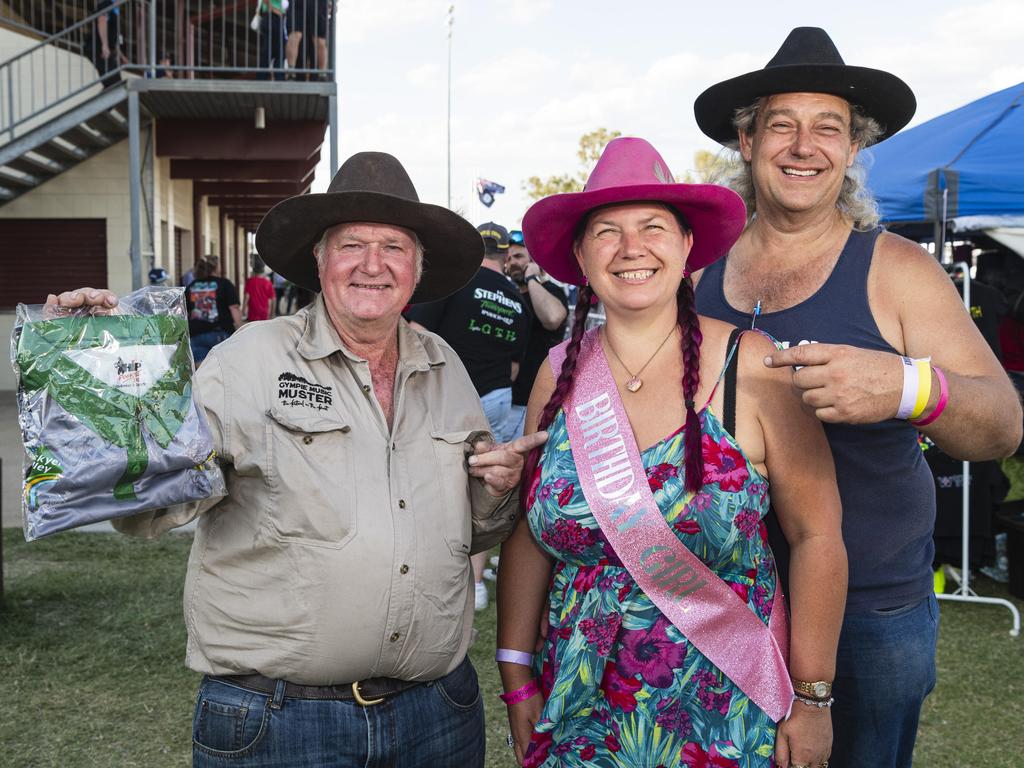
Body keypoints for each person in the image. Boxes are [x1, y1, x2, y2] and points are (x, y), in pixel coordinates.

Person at [45, 150, 544, 767]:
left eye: (392, 246)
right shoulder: (246, 361)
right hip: (281, 724)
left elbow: (468, 533)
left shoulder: (445, 368)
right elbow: (142, 508)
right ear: (319, 258)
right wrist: (99, 371)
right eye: (351, 244)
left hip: (436, 717)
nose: (372, 265)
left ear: (417, 267)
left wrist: (496, 493)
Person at [691, 27, 1023, 768]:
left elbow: (1002, 426)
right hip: (723, 598)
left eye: (828, 128)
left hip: (870, 611)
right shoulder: (699, 273)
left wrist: (908, 387)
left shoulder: (898, 269)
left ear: (850, 150)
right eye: (782, 124)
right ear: (746, 142)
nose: (804, 145)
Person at [497, 137, 847, 768]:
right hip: (577, 702)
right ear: (580, 255)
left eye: (653, 227)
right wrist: (516, 670)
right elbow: (531, 529)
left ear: (687, 246)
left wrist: (813, 700)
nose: (632, 249)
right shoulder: (558, 373)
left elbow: (818, 534)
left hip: (726, 705)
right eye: (607, 231)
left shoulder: (754, 365)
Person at [406, 221, 531, 610]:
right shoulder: (515, 296)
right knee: (486, 487)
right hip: (495, 397)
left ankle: (419, 572)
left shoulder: (456, 281)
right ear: (502, 254)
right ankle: (475, 584)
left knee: (426, 485)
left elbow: (413, 332)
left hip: (444, 396)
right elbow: (514, 366)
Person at [505, 229, 569, 440]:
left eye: (519, 256)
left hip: (532, 401)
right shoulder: (505, 292)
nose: (512, 262)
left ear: (533, 261)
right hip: (503, 398)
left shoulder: (551, 290)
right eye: (509, 257)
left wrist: (532, 278)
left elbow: (552, 318)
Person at [185, 255, 241, 364]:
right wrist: (240, 331)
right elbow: (234, 308)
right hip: (220, 333)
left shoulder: (192, 286)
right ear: (216, 267)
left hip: (196, 334)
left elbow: (185, 312)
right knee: (223, 369)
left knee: (202, 371)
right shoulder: (225, 284)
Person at [256, 0, 287, 81]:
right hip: (272, 16)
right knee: (272, 50)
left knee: (277, 50)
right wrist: (273, 9)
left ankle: (266, 77)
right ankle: (264, 77)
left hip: (276, 17)